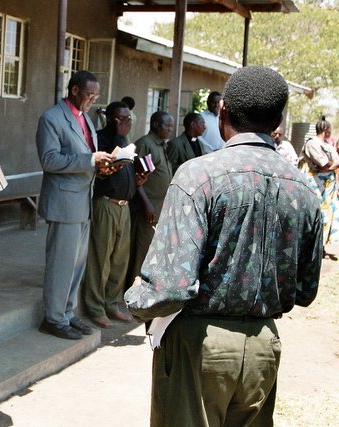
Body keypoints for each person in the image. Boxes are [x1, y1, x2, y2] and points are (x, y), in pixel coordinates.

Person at [125, 66, 323, 427]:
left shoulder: (199, 176)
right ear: (278, 120)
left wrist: (136, 298)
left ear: (223, 113)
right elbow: (306, 290)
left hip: (199, 347)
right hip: (263, 347)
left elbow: (170, 287)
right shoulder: (304, 190)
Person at [35, 70, 115, 340]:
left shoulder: (86, 119)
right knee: (61, 263)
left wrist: (102, 167)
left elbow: (86, 158)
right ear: (74, 91)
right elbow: (49, 160)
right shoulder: (52, 118)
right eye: (89, 94)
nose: (93, 99)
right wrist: (91, 161)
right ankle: (53, 318)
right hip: (64, 202)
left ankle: (67, 314)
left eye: (96, 95)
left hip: (83, 201)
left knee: (77, 263)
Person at [82, 101, 146, 329]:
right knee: (101, 258)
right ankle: (95, 307)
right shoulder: (100, 140)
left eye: (129, 118)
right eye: (121, 118)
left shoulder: (124, 142)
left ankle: (112, 302)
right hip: (106, 204)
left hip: (124, 207)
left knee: (120, 259)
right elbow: (97, 173)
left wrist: (137, 179)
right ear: (110, 118)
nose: (126, 123)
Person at [125, 111, 174, 291]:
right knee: (140, 251)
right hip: (146, 209)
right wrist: (147, 204)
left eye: (171, 126)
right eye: (166, 126)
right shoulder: (146, 144)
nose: (170, 129)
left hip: (158, 208)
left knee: (149, 251)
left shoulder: (161, 145)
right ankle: (133, 291)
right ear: (155, 125)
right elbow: (136, 178)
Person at [298, 116, 339, 248]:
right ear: (325, 129)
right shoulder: (312, 143)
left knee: (327, 214)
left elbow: (337, 162)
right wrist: (330, 166)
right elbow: (323, 164)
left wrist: (330, 166)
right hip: (315, 185)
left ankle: (320, 245)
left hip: (327, 187)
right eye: (329, 130)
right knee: (314, 212)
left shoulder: (328, 145)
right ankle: (309, 244)